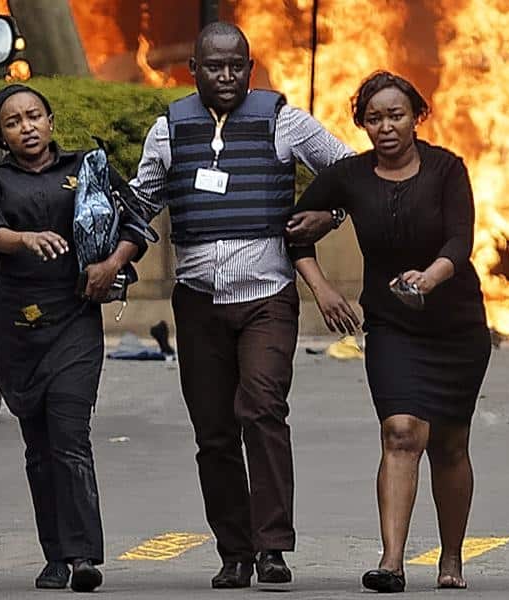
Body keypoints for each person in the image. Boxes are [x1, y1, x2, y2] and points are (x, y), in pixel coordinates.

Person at [128, 21, 353, 589]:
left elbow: (352, 175)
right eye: (213, 66)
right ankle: (235, 551)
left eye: (235, 66)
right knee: (213, 432)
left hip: (267, 300)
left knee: (261, 410)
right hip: (199, 303)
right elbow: (141, 201)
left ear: (250, 69)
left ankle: (274, 546)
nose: (225, 76)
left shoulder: (283, 121)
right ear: (193, 71)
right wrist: (100, 244)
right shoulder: (169, 130)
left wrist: (330, 217)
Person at [289, 71, 492, 593]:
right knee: (401, 431)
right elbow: (293, 232)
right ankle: (392, 562)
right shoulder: (350, 176)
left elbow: (459, 239)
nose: (385, 127)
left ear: (417, 116)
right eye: (373, 118)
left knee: (448, 443)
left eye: (395, 115)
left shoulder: (447, 169)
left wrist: (429, 278)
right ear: (361, 123)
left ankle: (450, 558)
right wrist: (324, 291)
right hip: (392, 324)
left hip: (455, 325)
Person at [0, 84, 147, 593]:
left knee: (70, 438)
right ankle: (54, 555)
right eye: (13, 122)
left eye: (34, 116)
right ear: (2, 136)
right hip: (17, 328)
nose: (26, 126)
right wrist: (24, 238)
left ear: (50, 121)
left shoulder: (87, 167)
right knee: (39, 447)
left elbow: (136, 224)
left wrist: (110, 265)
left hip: (75, 318)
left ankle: (83, 557)